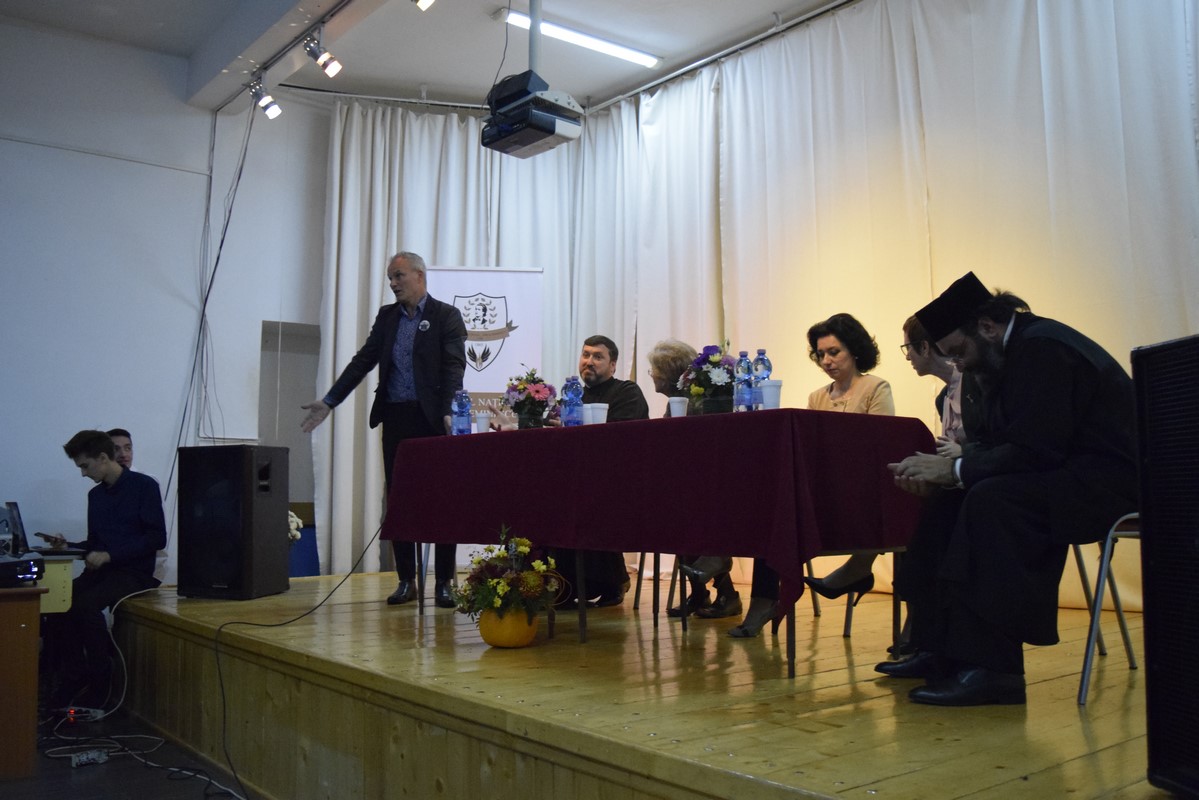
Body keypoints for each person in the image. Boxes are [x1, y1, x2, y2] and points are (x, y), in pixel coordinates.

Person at [883, 272, 1136, 706]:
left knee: (993, 502)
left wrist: (957, 469)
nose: (959, 365)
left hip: (1107, 483)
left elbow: (1036, 448)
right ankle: (939, 648)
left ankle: (995, 670)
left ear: (986, 326)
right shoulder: (1007, 354)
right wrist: (950, 472)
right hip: (1063, 471)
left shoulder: (1044, 348)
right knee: (949, 502)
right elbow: (1007, 443)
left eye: (958, 353)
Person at [301, 251, 466, 609]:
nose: (392, 283)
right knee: (399, 500)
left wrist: (450, 410)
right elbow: (362, 361)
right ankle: (406, 580)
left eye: (398, 276)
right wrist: (329, 401)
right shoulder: (387, 317)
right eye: (390, 278)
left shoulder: (446, 316)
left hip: (433, 420)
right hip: (395, 419)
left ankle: (444, 582)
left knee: (442, 500)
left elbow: (454, 367)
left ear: (419, 275)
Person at [719, 313, 895, 637]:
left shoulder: (875, 387)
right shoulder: (818, 397)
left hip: (858, 491)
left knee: (778, 506)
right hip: (821, 490)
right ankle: (757, 592)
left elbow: (880, 448)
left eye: (834, 352)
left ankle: (755, 588)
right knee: (769, 500)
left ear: (855, 350)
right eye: (821, 354)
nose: (826, 361)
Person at [42, 430, 166, 707]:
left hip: (134, 572)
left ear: (102, 458)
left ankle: (100, 676)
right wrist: (68, 546)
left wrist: (110, 555)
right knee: (58, 601)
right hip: (105, 571)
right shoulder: (96, 496)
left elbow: (156, 538)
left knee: (84, 604)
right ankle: (74, 673)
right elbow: (95, 544)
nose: (83, 473)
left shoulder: (144, 486)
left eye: (85, 466)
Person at [647, 339, 741, 620]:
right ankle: (705, 592)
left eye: (654, 369)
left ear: (668, 373)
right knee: (676, 510)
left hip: (713, 484)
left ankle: (725, 594)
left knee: (688, 513)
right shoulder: (677, 402)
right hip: (690, 482)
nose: (651, 375)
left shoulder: (699, 400)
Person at [553, 335, 649, 607]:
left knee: (586, 498)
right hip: (578, 479)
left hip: (620, 482)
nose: (589, 361)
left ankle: (607, 580)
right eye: (585, 355)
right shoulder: (571, 397)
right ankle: (561, 583)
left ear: (613, 364)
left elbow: (621, 440)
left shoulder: (627, 392)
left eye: (598, 356)